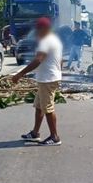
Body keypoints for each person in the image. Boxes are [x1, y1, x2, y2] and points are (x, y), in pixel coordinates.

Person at [12, 17, 64, 146]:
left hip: (48, 79)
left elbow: (38, 60)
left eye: (38, 30)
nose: (37, 32)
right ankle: (35, 133)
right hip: (48, 78)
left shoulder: (46, 41)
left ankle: (54, 137)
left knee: (48, 108)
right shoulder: (54, 40)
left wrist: (20, 74)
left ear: (44, 29)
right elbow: (60, 60)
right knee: (39, 107)